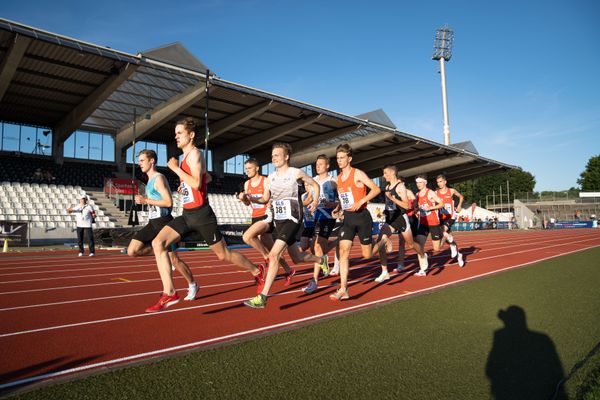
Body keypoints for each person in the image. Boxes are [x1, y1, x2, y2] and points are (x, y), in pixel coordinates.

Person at [147, 117, 265, 313]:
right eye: (175, 133)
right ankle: (169, 292)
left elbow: (196, 183)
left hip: (202, 215)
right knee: (158, 243)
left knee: (223, 254)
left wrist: (176, 170)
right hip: (186, 214)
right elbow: (205, 178)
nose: (175, 137)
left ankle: (256, 270)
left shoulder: (194, 154)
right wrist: (185, 182)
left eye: (179, 133)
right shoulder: (186, 158)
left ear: (191, 135)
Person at [243, 142, 328, 309]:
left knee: (274, 255)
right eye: (272, 155)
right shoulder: (271, 178)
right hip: (278, 220)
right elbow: (265, 199)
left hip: (293, 218)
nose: (273, 157)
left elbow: (315, 185)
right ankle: (321, 259)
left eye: (277, 155)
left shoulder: (295, 173)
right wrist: (250, 198)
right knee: (297, 259)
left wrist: (315, 201)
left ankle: (262, 297)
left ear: (286, 156)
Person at [126, 149, 198, 301]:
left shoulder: (159, 178)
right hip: (153, 222)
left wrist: (146, 201)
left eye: (142, 160)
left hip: (164, 222)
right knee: (132, 251)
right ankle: (161, 252)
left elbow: (168, 202)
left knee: (175, 260)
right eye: (139, 161)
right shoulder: (149, 181)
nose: (139, 164)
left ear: (152, 161)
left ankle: (192, 284)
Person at [329, 143, 381, 300]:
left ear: (349, 158)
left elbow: (376, 189)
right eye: (337, 158)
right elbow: (344, 199)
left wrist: (362, 201)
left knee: (367, 255)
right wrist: (338, 209)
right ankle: (344, 288)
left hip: (362, 217)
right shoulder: (338, 178)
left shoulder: (357, 173)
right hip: (348, 219)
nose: (339, 160)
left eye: (342, 158)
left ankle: (383, 241)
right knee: (344, 252)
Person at [238, 158, 294, 286]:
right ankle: (288, 270)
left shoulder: (265, 181)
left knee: (247, 236)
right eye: (246, 169)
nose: (247, 171)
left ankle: (265, 257)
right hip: (255, 216)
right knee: (273, 252)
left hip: (266, 216)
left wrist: (267, 202)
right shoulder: (247, 184)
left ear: (257, 168)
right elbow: (248, 204)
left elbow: (268, 198)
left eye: (250, 168)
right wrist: (244, 199)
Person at [373, 167, 424, 281]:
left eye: (385, 173)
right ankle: (385, 272)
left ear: (392, 172)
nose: (384, 175)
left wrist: (392, 198)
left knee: (410, 244)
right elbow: (389, 205)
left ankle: (422, 255)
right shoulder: (387, 187)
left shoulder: (400, 186)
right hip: (390, 220)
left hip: (401, 218)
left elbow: (407, 206)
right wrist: (383, 213)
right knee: (380, 241)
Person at [303, 154, 341, 294]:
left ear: (327, 166)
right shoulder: (313, 181)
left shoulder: (333, 181)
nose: (317, 166)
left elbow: (342, 200)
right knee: (314, 249)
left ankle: (314, 281)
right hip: (316, 218)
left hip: (328, 217)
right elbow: (311, 199)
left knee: (318, 246)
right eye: (316, 164)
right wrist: (298, 204)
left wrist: (334, 205)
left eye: (320, 164)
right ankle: (335, 244)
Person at [413, 175, 444, 276]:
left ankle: (446, 236)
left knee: (437, 249)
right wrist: (416, 211)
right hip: (423, 223)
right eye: (417, 182)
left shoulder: (430, 192)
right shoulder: (417, 194)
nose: (418, 184)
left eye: (420, 182)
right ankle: (423, 269)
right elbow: (416, 207)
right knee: (419, 246)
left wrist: (430, 208)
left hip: (433, 222)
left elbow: (441, 204)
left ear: (425, 182)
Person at [435, 174, 465, 267]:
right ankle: (458, 254)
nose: (439, 184)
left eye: (441, 181)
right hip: (440, 218)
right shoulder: (436, 193)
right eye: (438, 182)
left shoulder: (451, 191)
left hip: (450, 217)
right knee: (447, 238)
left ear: (445, 182)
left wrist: (459, 205)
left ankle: (452, 246)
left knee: (443, 232)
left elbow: (461, 197)